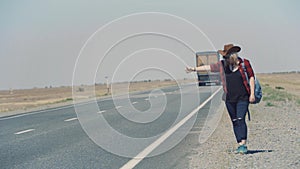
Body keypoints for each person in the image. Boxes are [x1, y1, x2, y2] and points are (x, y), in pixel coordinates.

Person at [185, 44, 255, 154]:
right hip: (229, 99)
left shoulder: (244, 64)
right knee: (235, 120)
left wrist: (252, 94)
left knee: (241, 119)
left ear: (232, 56)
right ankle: (239, 143)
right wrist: (193, 69)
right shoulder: (223, 65)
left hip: (243, 98)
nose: (224, 59)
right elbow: (209, 67)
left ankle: (243, 144)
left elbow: (251, 77)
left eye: (226, 57)